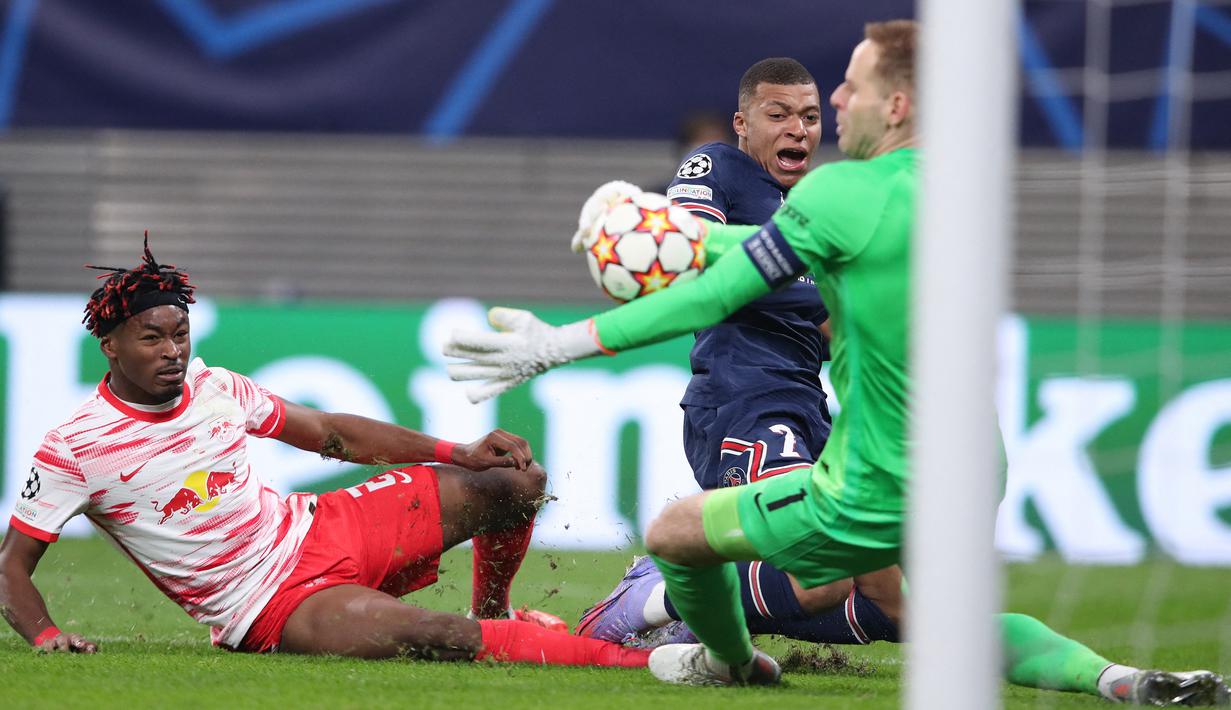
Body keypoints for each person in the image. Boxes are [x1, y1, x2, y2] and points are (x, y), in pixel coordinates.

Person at [444, 20, 1230, 705]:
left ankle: (672, 621)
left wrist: (565, 338)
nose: (823, 116)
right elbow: (734, 261)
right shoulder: (954, 190)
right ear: (744, 123)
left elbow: (726, 281)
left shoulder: (836, 197)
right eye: (789, 112)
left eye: (839, 96)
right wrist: (670, 231)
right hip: (870, 434)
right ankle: (1115, 679)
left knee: (731, 552)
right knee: (916, 616)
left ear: (893, 105)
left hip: (861, 452)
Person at [0, 236, 649, 670]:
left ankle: (495, 610)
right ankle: (646, 665)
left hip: (320, 527)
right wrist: (46, 635)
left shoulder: (215, 387)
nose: (172, 350)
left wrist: (460, 450)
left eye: (180, 333)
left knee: (515, 482)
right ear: (111, 346)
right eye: (151, 338)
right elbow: (12, 566)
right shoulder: (76, 448)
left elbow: (334, 435)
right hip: (267, 604)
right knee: (432, 636)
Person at [573, 58, 901, 651]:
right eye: (778, 115)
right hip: (742, 401)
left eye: (809, 116)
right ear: (742, 124)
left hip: (811, 408)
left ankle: (703, 609)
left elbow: (834, 324)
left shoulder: (818, 204)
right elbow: (690, 251)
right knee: (819, 576)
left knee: (901, 607)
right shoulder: (715, 165)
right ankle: (648, 597)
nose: (797, 129)